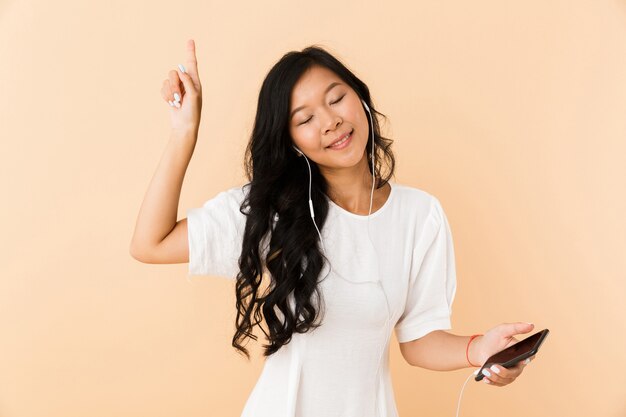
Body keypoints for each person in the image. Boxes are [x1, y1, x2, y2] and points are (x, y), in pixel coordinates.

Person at [130, 39, 536, 417]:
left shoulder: (420, 215)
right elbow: (151, 243)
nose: (330, 122)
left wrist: (479, 349)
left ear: (359, 97)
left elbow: (418, 341)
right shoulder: (273, 212)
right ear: (292, 142)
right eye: (304, 119)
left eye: (337, 98)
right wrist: (184, 132)